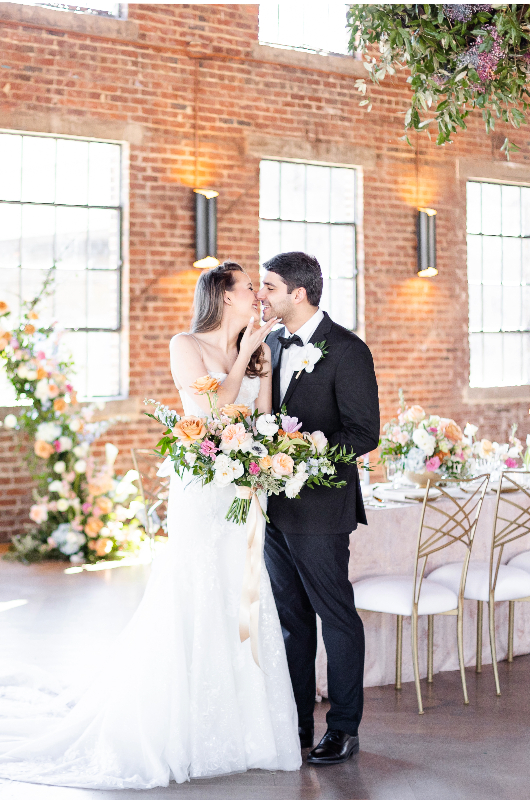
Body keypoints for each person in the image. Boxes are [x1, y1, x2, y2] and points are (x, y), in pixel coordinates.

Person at [0, 261, 301, 789]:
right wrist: (249, 350)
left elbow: (266, 418)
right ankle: (182, 728)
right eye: (248, 287)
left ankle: (248, 730)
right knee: (196, 592)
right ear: (225, 296)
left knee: (243, 596)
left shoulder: (260, 352)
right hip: (202, 492)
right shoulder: (185, 344)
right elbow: (213, 409)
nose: (257, 293)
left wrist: (267, 458)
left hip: (242, 490)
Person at [258, 251, 380, 766]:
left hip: (322, 509)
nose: (261, 295)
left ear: (298, 293)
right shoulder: (268, 342)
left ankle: (344, 728)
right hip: (273, 510)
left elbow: (363, 435)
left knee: (336, 617)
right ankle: (297, 723)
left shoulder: (348, 350)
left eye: (268, 287)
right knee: (291, 621)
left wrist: (305, 456)